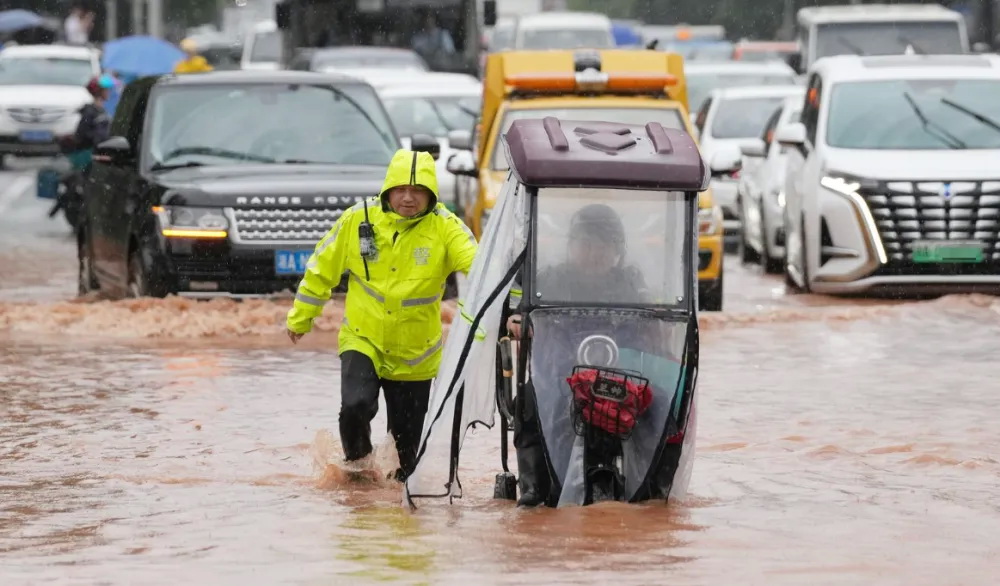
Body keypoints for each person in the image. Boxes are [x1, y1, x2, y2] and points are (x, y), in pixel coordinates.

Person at [286, 149, 478, 482]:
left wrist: (506, 315)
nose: (408, 198)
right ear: (387, 189)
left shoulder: (447, 228)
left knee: (406, 460)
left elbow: (482, 270)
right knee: (355, 407)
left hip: (416, 354)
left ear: (431, 194)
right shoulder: (356, 220)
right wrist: (301, 318)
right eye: (400, 189)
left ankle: (399, 503)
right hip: (363, 338)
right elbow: (321, 269)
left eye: (417, 191)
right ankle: (358, 478)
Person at [505, 203, 646, 507]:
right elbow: (516, 312)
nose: (594, 253)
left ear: (617, 250)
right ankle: (535, 489)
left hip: (618, 381)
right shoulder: (549, 280)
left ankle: (651, 489)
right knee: (528, 402)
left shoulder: (630, 284)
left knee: (658, 406)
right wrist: (516, 320)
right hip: (559, 378)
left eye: (603, 245)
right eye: (586, 244)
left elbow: (652, 325)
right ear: (571, 246)